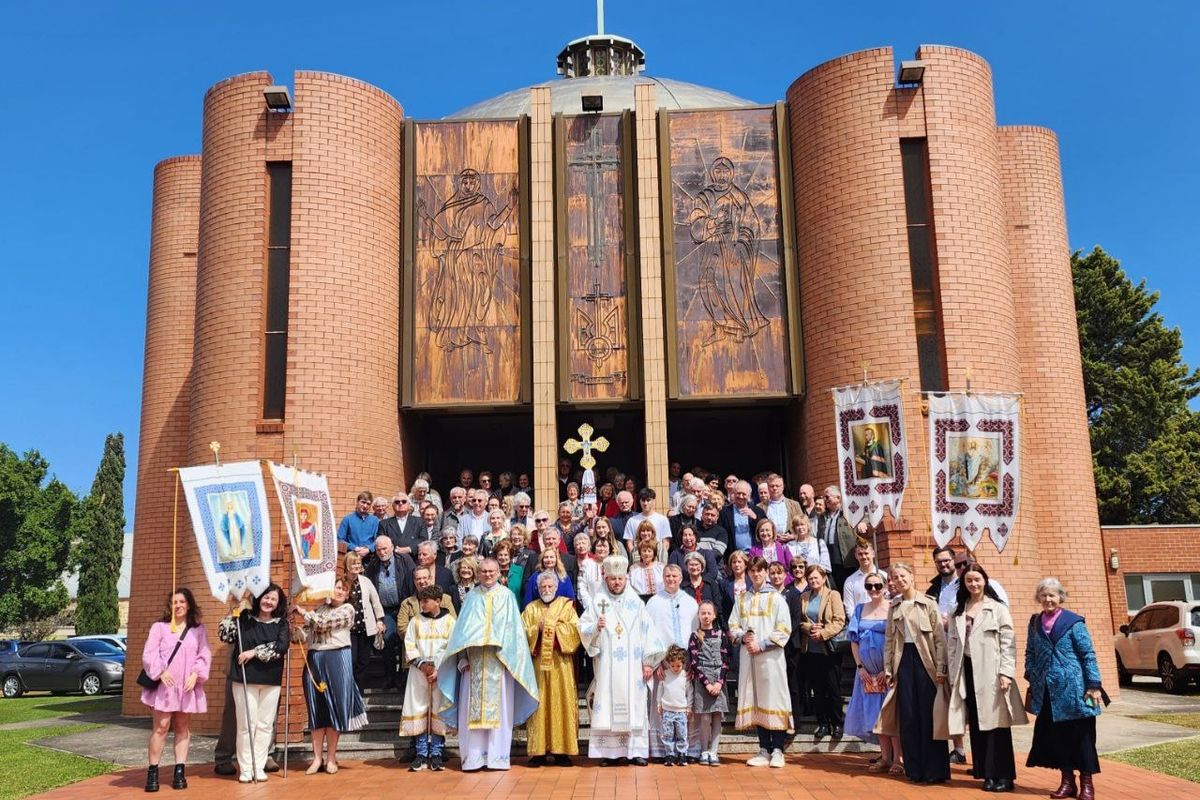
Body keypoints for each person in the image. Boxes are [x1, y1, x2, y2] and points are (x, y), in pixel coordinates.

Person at [436, 557, 539, 771]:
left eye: (492, 571)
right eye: (484, 571)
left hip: (500, 664)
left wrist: (509, 657)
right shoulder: (471, 598)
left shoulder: (508, 597)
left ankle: (497, 758)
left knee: (500, 712)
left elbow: (515, 634)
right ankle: (473, 758)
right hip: (473, 665)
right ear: (478, 573)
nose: (488, 575)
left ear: (498, 572)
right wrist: (462, 659)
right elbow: (461, 633)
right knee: (469, 711)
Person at [947, 562, 1027, 793]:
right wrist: (953, 675)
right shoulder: (958, 610)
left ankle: (1003, 775)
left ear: (985, 581)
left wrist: (1006, 672)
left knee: (997, 725)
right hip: (967, 672)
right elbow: (952, 646)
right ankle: (985, 773)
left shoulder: (997, 608)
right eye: (969, 580)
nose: (973, 584)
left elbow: (1008, 643)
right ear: (963, 583)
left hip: (992, 673)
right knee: (978, 723)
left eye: (977, 579)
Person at [580, 556, 667, 766]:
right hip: (608, 666)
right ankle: (610, 754)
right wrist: (595, 628)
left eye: (620, 578)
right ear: (606, 578)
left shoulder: (636, 603)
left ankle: (635, 752)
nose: (616, 582)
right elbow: (583, 628)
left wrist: (648, 662)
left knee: (635, 706)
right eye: (612, 579)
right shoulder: (597, 602)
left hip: (633, 668)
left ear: (626, 578)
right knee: (608, 705)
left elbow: (649, 633)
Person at [1025, 577, 1105, 800]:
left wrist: (1094, 685)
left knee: (1082, 738)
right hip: (1048, 692)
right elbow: (1030, 652)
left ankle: (1087, 784)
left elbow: (1088, 655)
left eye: (1052, 595)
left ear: (1060, 597)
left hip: (1076, 690)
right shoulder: (1034, 622)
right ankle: (1067, 782)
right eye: (1044, 595)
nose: (1048, 599)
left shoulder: (1074, 622)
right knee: (1058, 739)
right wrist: (1031, 673)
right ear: (1038, 598)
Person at [876, 562, 950, 785]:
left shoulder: (928, 603)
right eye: (894, 577)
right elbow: (889, 641)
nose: (899, 580)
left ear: (912, 576)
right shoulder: (894, 606)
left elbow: (939, 639)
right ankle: (914, 769)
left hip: (926, 661)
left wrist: (941, 669)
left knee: (928, 716)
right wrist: (888, 669)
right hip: (903, 662)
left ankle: (934, 770)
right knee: (908, 716)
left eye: (902, 576)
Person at [292, 578, 368, 775]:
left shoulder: (348, 609)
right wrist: (295, 630)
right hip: (315, 658)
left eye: (344, 588)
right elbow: (307, 634)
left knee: (334, 707)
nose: (340, 591)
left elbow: (325, 624)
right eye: (337, 587)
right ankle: (317, 758)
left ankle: (332, 757)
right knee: (317, 709)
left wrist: (302, 612)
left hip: (337, 658)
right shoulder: (318, 609)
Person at [216, 584, 289, 784]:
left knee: (265, 725)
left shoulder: (281, 623)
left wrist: (254, 652)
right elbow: (225, 634)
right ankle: (246, 768)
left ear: (278, 602)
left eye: (273, 599)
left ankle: (259, 765)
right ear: (258, 598)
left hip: (271, 681)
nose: (268, 602)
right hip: (244, 679)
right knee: (247, 725)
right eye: (265, 597)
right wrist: (234, 611)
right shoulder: (244, 618)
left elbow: (281, 647)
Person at [141, 588, 211, 792]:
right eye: (174, 602)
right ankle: (153, 771)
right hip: (165, 686)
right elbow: (149, 653)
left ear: (189, 604)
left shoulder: (198, 629)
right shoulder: (159, 627)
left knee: (182, 727)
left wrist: (196, 674)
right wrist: (160, 671)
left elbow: (204, 654)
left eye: (181, 601)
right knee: (161, 727)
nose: (178, 605)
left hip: (186, 687)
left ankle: (179, 771)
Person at [728, 557, 792, 768]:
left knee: (775, 699)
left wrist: (762, 644)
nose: (755, 574)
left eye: (759, 571)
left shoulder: (776, 598)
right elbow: (733, 624)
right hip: (749, 658)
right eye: (752, 571)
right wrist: (742, 636)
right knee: (756, 700)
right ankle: (764, 748)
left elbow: (784, 629)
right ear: (747, 573)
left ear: (766, 572)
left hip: (770, 657)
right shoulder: (742, 598)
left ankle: (778, 750)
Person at [522, 571, 583, 766]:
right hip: (538, 664)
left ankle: (562, 751)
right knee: (538, 704)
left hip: (560, 664)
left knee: (561, 702)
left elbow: (575, 630)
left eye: (550, 587)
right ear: (537, 589)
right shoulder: (531, 608)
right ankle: (538, 751)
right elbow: (521, 632)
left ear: (556, 587)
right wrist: (535, 630)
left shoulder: (566, 606)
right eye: (543, 587)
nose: (546, 590)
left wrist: (555, 628)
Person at [844, 572, 900, 774]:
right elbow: (854, 641)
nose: (874, 590)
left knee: (891, 714)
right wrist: (860, 668)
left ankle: (898, 759)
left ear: (885, 586)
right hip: (867, 673)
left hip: (887, 672)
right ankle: (885, 758)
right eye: (869, 586)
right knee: (876, 716)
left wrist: (887, 669)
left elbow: (896, 640)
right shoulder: (860, 609)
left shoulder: (893, 609)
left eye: (877, 585)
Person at [646, 564, 700, 762]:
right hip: (663, 666)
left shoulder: (691, 603)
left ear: (681, 577)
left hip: (685, 666)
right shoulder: (653, 603)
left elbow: (696, 635)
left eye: (674, 576)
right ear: (663, 577)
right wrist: (656, 662)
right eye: (667, 575)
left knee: (685, 703)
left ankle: (688, 750)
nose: (671, 579)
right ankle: (664, 750)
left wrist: (693, 662)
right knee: (661, 705)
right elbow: (649, 635)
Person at [402, 585, 456, 772]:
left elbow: (452, 648)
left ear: (438, 602)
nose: (422, 604)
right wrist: (424, 666)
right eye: (420, 601)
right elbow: (409, 645)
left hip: (441, 674)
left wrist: (438, 669)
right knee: (419, 710)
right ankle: (421, 754)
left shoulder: (450, 622)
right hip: (419, 675)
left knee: (439, 712)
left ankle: (437, 754)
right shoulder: (415, 622)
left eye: (425, 601)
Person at [794, 563, 847, 738]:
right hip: (810, 650)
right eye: (810, 578)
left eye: (816, 577)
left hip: (829, 650)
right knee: (817, 690)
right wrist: (810, 628)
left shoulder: (833, 595)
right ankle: (822, 723)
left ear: (824, 578)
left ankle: (837, 723)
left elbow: (840, 620)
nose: (813, 581)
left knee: (833, 688)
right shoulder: (804, 597)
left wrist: (823, 633)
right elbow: (800, 621)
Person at [688, 601, 729, 766]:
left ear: (714, 615)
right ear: (698, 615)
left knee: (717, 716)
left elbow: (726, 661)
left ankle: (714, 751)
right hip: (703, 680)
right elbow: (694, 663)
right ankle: (704, 750)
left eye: (708, 613)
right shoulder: (695, 636)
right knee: (705, 718)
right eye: (702, 613)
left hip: (718, 679)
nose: (705, 616)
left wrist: (719, 682)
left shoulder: (721, 635)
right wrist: (707, 684)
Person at [344, 552, 386, 689]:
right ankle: (350, 691)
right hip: (349, 631)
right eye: (353, 563)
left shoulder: (365, 581)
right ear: (347, 565)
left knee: (363, 662)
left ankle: (359, 694)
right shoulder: (341, 582)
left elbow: (375, 601)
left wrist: (379, 620)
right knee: (352, 661)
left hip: (365, 629)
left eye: (358, 563)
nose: (357, 566)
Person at [396, 566, 457, 648]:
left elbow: (453, 623)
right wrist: (422, 641)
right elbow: (402, 629)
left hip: (441, 649)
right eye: (418, 579)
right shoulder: (407, 603)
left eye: (425, 578)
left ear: (430, 579)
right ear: (414, 581)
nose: (422, 581)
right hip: (415, 651)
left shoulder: (445, 599)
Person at [657, 645, 692, 766]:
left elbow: (689, 692)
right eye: (672, 666)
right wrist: (658, 704)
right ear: (668, 663)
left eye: (678, 666)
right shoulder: (665, 674)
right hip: (667, 710)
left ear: (683, 663)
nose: (675, 668)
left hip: (681, 711)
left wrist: (689, 707)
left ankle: (682, 754)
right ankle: (670, 754)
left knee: (682, 733)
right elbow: (660, 690)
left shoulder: (685, 676)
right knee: (667, 734)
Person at [816, 487, 856, 588]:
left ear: (838, 497)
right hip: (827, 560)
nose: (825, 499)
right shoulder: (822, 517)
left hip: (845, 559)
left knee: (846, 587)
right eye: (824, 497)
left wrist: (863, 523)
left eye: (827, 497)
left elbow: (864, 517)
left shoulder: (848, 512)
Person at [719, 481, 764, 554]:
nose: (741, 496)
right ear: (733, 493)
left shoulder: (757, 511)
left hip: (754, 554)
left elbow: (766, 528)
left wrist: (755, 518)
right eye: (738, 493)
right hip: (734, 555)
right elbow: (721, 533)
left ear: (749, 495)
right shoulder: (725, 512)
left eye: (744, 494)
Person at [758, 473, 803, 541]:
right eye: (772, 486)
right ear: (768, 488)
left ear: (783, 487)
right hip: (770, 545)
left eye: (777, 486)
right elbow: (757, 529)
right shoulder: (760, 507)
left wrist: (793, 536)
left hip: (792, 544)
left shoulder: (794, 505)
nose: (775, 488)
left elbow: (803, 525)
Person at [841, 539, 880, 612]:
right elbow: (849, 608)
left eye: (866, 553)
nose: (864, 557)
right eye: (860, 554)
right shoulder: (850, 581)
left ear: (873, 554)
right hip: (860, 621)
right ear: (856, 556)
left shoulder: (883, 576)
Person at [337, 491, 379, 557]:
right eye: (363, 502)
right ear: (357, 502)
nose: (365, 506)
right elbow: (340, 540)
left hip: (370, 559)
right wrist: (354, 548)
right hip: (352, 557)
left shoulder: (375, 520)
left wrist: (368, 549)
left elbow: (378, 539)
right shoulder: (347, 519)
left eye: (368, 504)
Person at [493, 539, 525, 605]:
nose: (503, 557)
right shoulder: (491, 571)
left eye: (506, 555)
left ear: (510, 556)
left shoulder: (519, 570)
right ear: (496, 556)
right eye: (500, 555)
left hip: (515, 608)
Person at [719, 550, 752, 614]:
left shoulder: (752, 582)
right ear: (731, 565)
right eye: (734, 562)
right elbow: (722, 607)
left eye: (739, 562)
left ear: (745, 565)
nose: (736, 564)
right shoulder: (724, 583)